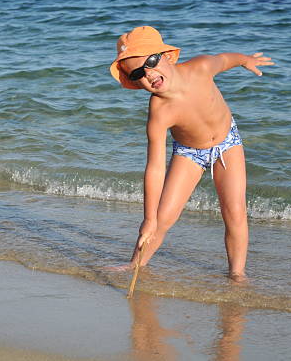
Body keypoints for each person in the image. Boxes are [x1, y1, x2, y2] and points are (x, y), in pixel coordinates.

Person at [109, 26, 274, 281]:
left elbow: (225, 60)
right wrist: (149, 218)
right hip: (189, 152)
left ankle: (237, 274)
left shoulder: (200, 68)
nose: (149, 75)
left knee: (235, 213)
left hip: (227, 143)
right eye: (138, 74)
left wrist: (246, 60)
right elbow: (154, 167)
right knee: (162, 220)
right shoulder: (159, 112)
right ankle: (135, 264)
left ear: (167, 56)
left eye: (151, 62)